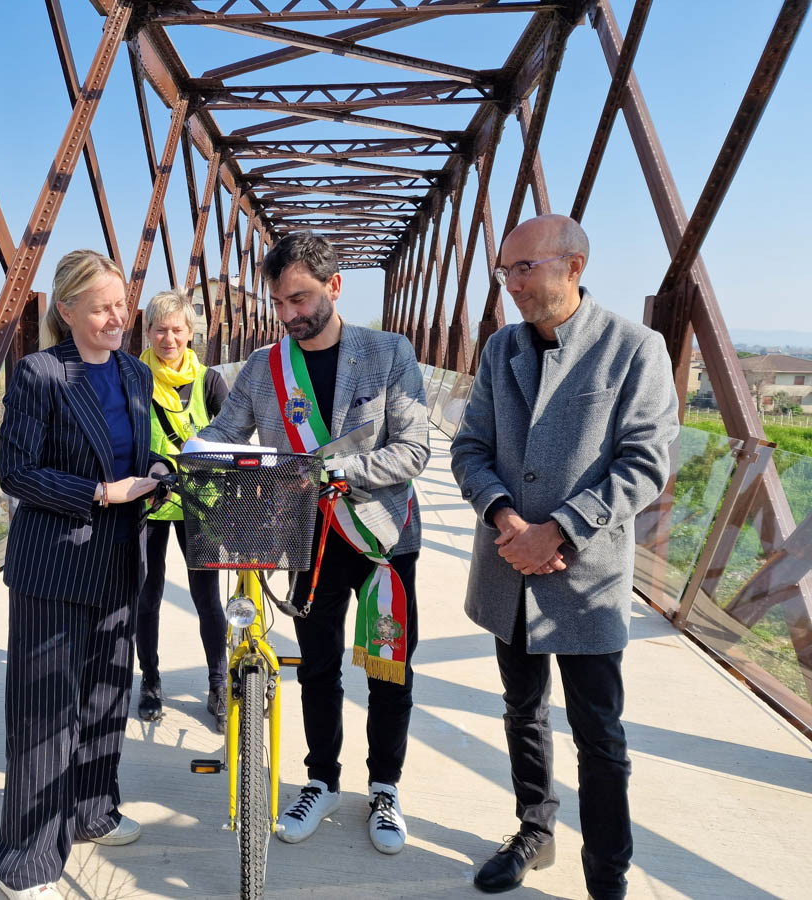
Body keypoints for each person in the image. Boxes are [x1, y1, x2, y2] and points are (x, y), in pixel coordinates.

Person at [450, 214, 679, 899]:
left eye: (525, 268)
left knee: (599, 733)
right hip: (507, 561)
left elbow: (646, 461)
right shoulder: (500, 350)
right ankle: (534, 830)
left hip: (584, 573)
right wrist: (506, 517)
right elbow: (470, 448)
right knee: (522, 710)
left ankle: (607, 875)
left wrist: (559, 530)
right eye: (505, 272)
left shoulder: (635, 348)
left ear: (574, 266)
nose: (512, 285)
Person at [197, 232, 430, 855]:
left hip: (382, 539)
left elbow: (413, 451)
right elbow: (224, 431)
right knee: (318, 668)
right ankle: (321, 779)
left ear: (335, 285)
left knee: (389, 669)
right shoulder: (263, 366)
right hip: (306, 539)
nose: (290, 314)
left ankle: (385, 788)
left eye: (300, 298)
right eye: (279, 303)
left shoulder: (389, 353)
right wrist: (191, 454)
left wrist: (334, 472)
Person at [0, 250, 170, 900]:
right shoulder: (39, 374)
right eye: (101, 308)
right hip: (54, 566)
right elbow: (17, 473)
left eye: (122, 306)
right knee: (45, 715)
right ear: (65, 311)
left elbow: (137, 453)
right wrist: (100, 492)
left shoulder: (132, 372)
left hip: (120, 560)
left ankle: (92, 813)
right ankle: (27, 863)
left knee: (104, 698)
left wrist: (154, 476)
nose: (117, 318)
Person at [134, 290, 231, 729]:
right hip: (150, 499)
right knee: (146, 596)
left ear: (191, 333)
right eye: (159, 329)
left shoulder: (210, 382)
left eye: (176, 330)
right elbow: (120, 437)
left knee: (207, 600)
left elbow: (229, 440)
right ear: (148, 331)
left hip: (199, 503)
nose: (167, 338)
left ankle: (217, 682)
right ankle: (151, 681)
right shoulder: (133, 377)